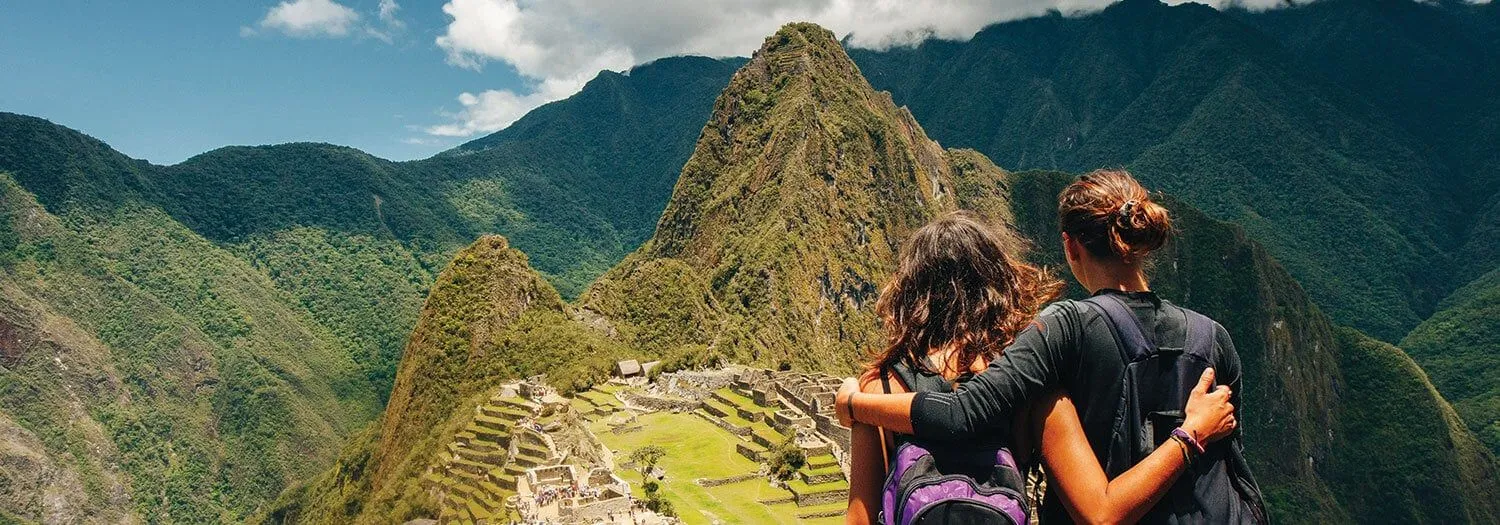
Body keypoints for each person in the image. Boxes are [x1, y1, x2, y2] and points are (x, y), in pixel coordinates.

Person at [845, 207, 1244, 525]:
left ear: (910, 293)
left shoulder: (880, 388)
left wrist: (851, 403)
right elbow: (1097, 506)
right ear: (1000, 287)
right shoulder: (1032, 384)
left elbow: (860, 517)